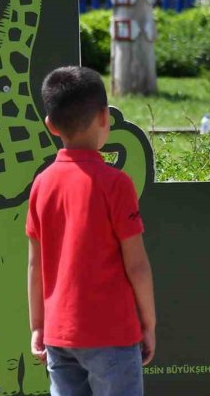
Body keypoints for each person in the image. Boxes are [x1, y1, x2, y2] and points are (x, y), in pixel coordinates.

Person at [27, 66, 156, 395]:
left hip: (59, 335)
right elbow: (136, 264)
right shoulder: (117, 184)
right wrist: (149, 323)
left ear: (51, 126)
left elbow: (35, 265)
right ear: (104, 117)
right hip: (112, 334)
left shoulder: (42, 184)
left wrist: (38, 326)